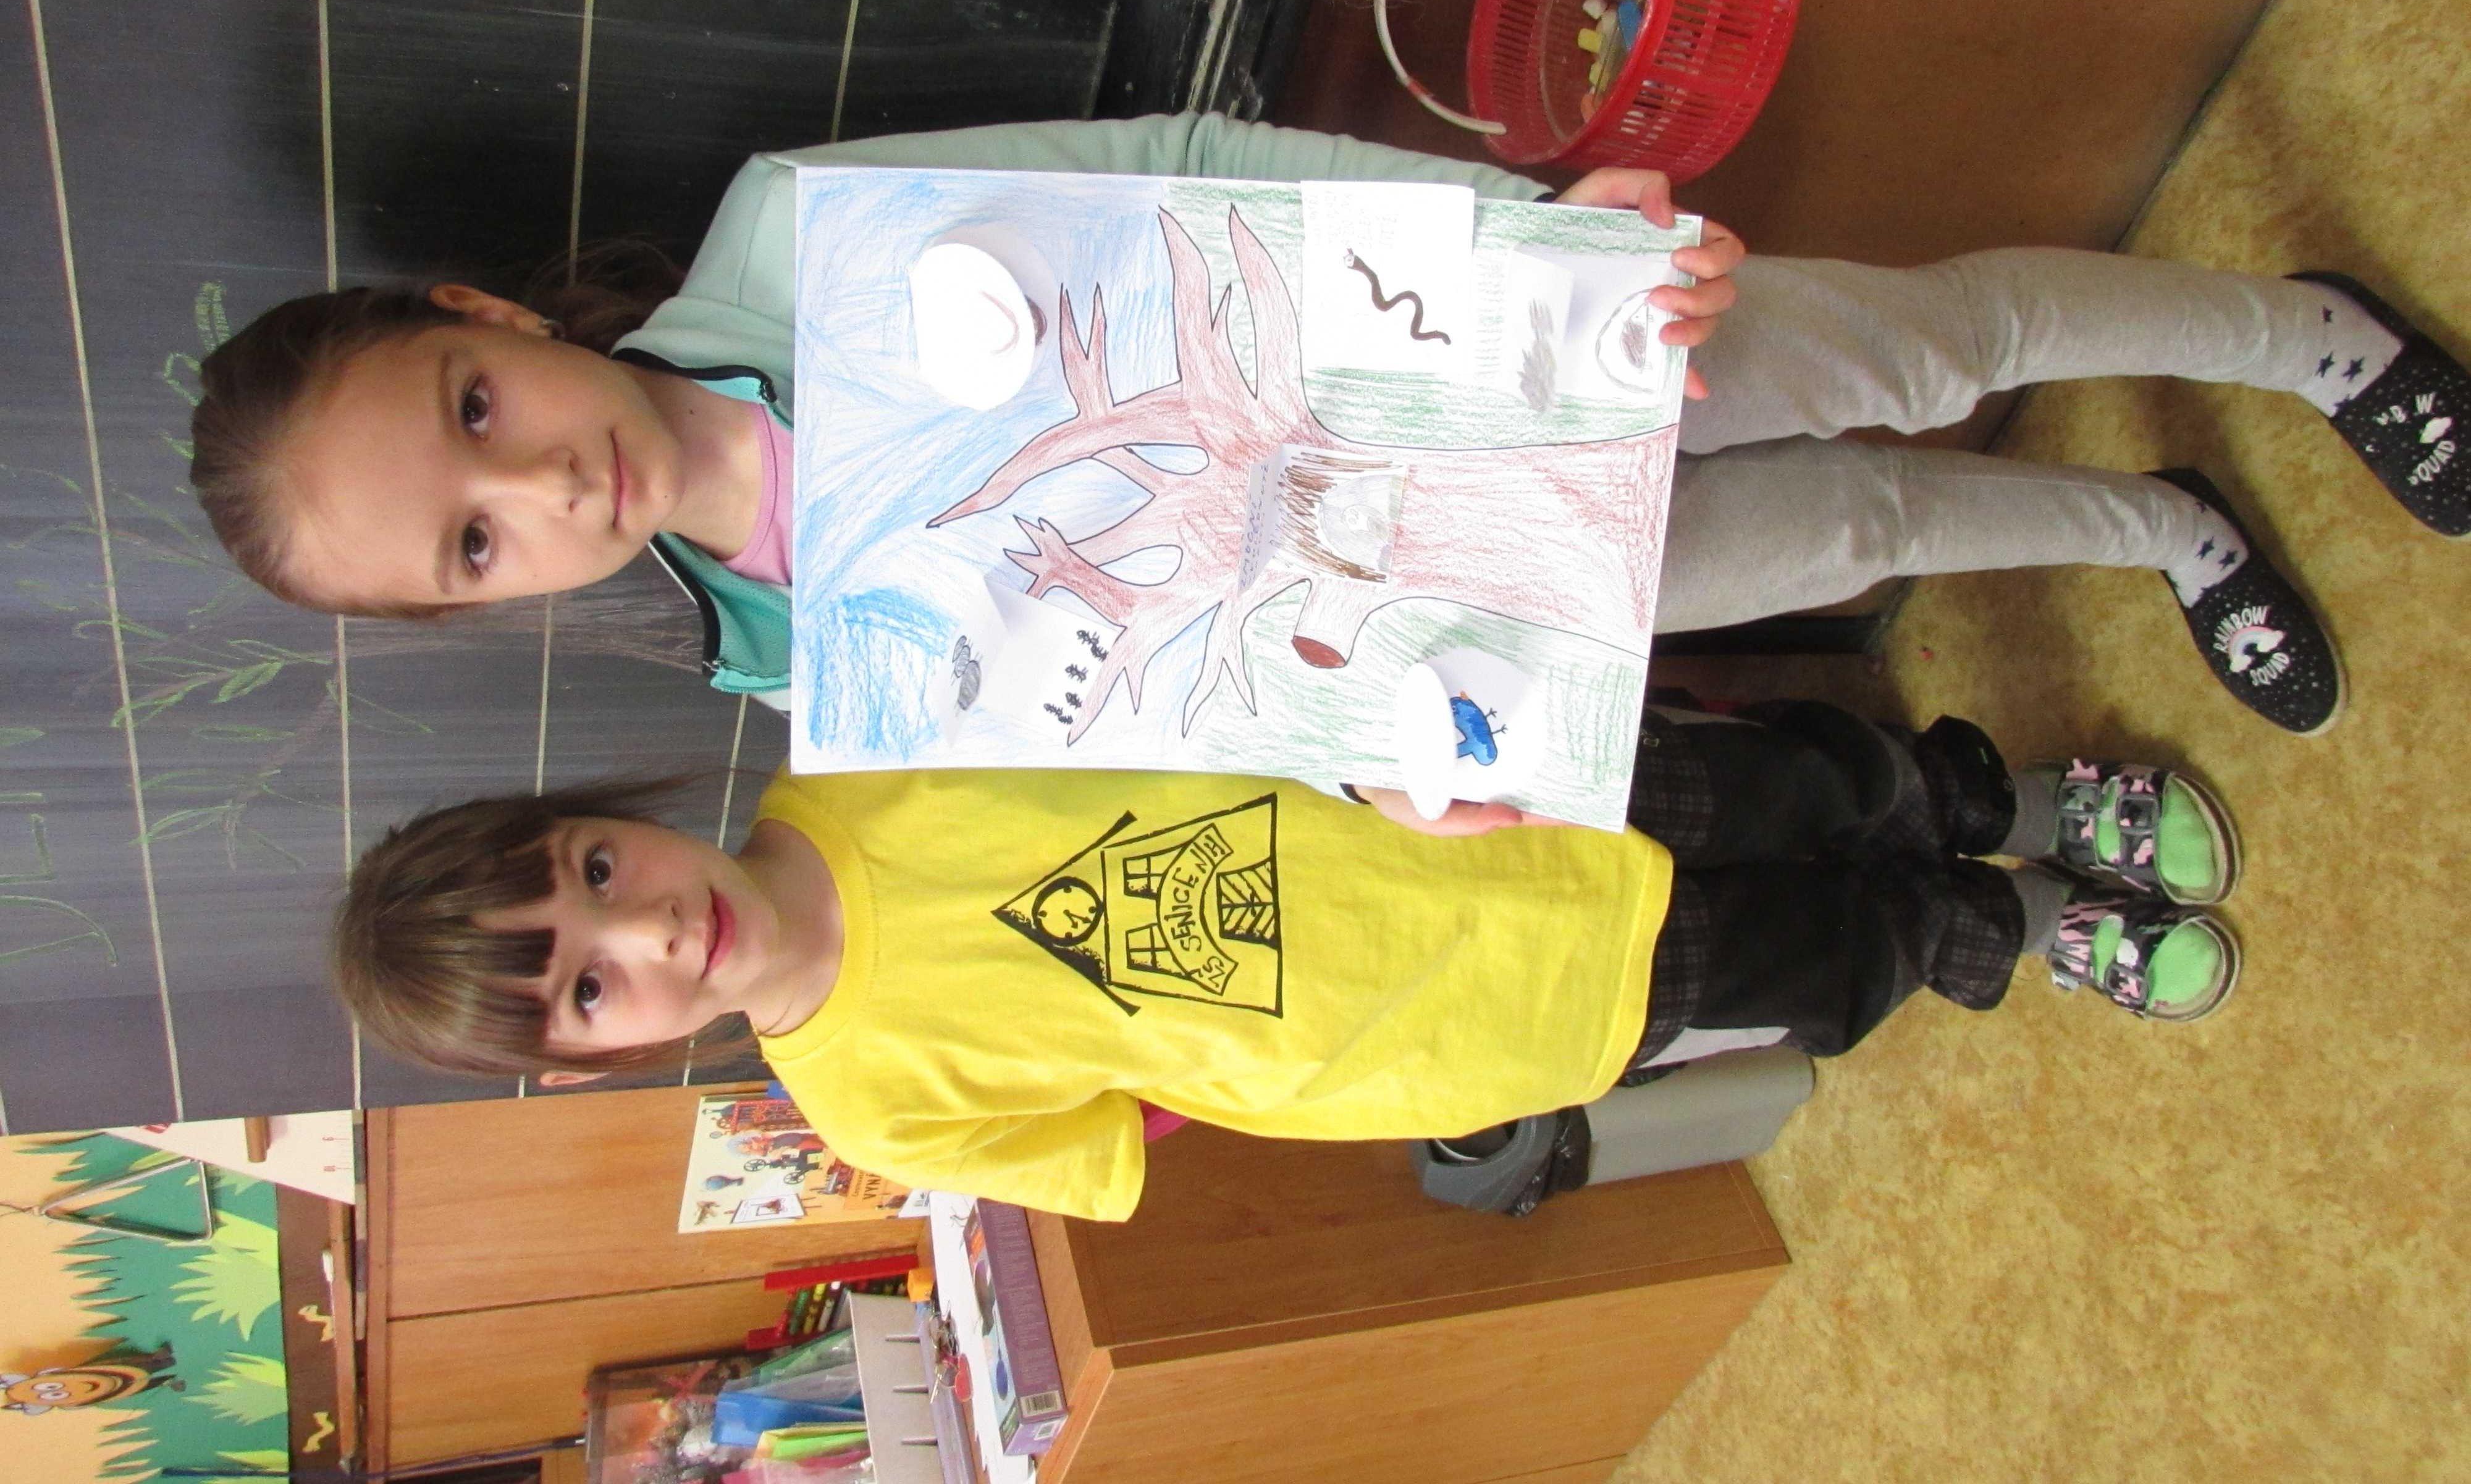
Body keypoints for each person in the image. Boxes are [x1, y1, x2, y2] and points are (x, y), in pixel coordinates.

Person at [192, 115, 2471, 739]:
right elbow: (1149, 715)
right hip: (1437, 591)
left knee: (1915, 352)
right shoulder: (793, 670)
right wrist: (1401, 753)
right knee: (1846, 533)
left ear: (484, 317)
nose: (537, 487)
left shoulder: (801, 238)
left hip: (1474, 351)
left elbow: (1181, 170)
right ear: (481, 609)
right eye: (472, 542)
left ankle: (2311, 341)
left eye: (474, 410)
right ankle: (2165, 530)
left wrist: (1521, 233)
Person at [332, 702, 2243, 1220]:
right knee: (1800, 971)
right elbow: (1129, 1129)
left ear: (608, 813)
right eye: (592, 983)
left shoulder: (870, 736)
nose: (652, 928)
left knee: (1792, 781)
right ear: (596, 1056)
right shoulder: (868, 1111)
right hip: (1450, 1021)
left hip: (1462, 792)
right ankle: (2005, 922)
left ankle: (2005, 802)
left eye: (595, 873)